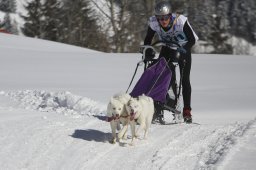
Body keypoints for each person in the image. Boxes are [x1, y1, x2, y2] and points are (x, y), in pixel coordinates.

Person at [143, 1, 198, 123]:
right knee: (162, 77)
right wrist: (147, 50)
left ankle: (187, 111)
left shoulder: (180, 21)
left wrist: (182, 50)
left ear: (170, 15)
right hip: (167, 47)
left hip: (183, 48)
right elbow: (148, 39)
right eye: (160, 18)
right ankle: (158, 109)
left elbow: (192, 40)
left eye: (166, 17)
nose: (163, 21)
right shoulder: (153, 22)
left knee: (184, 79)